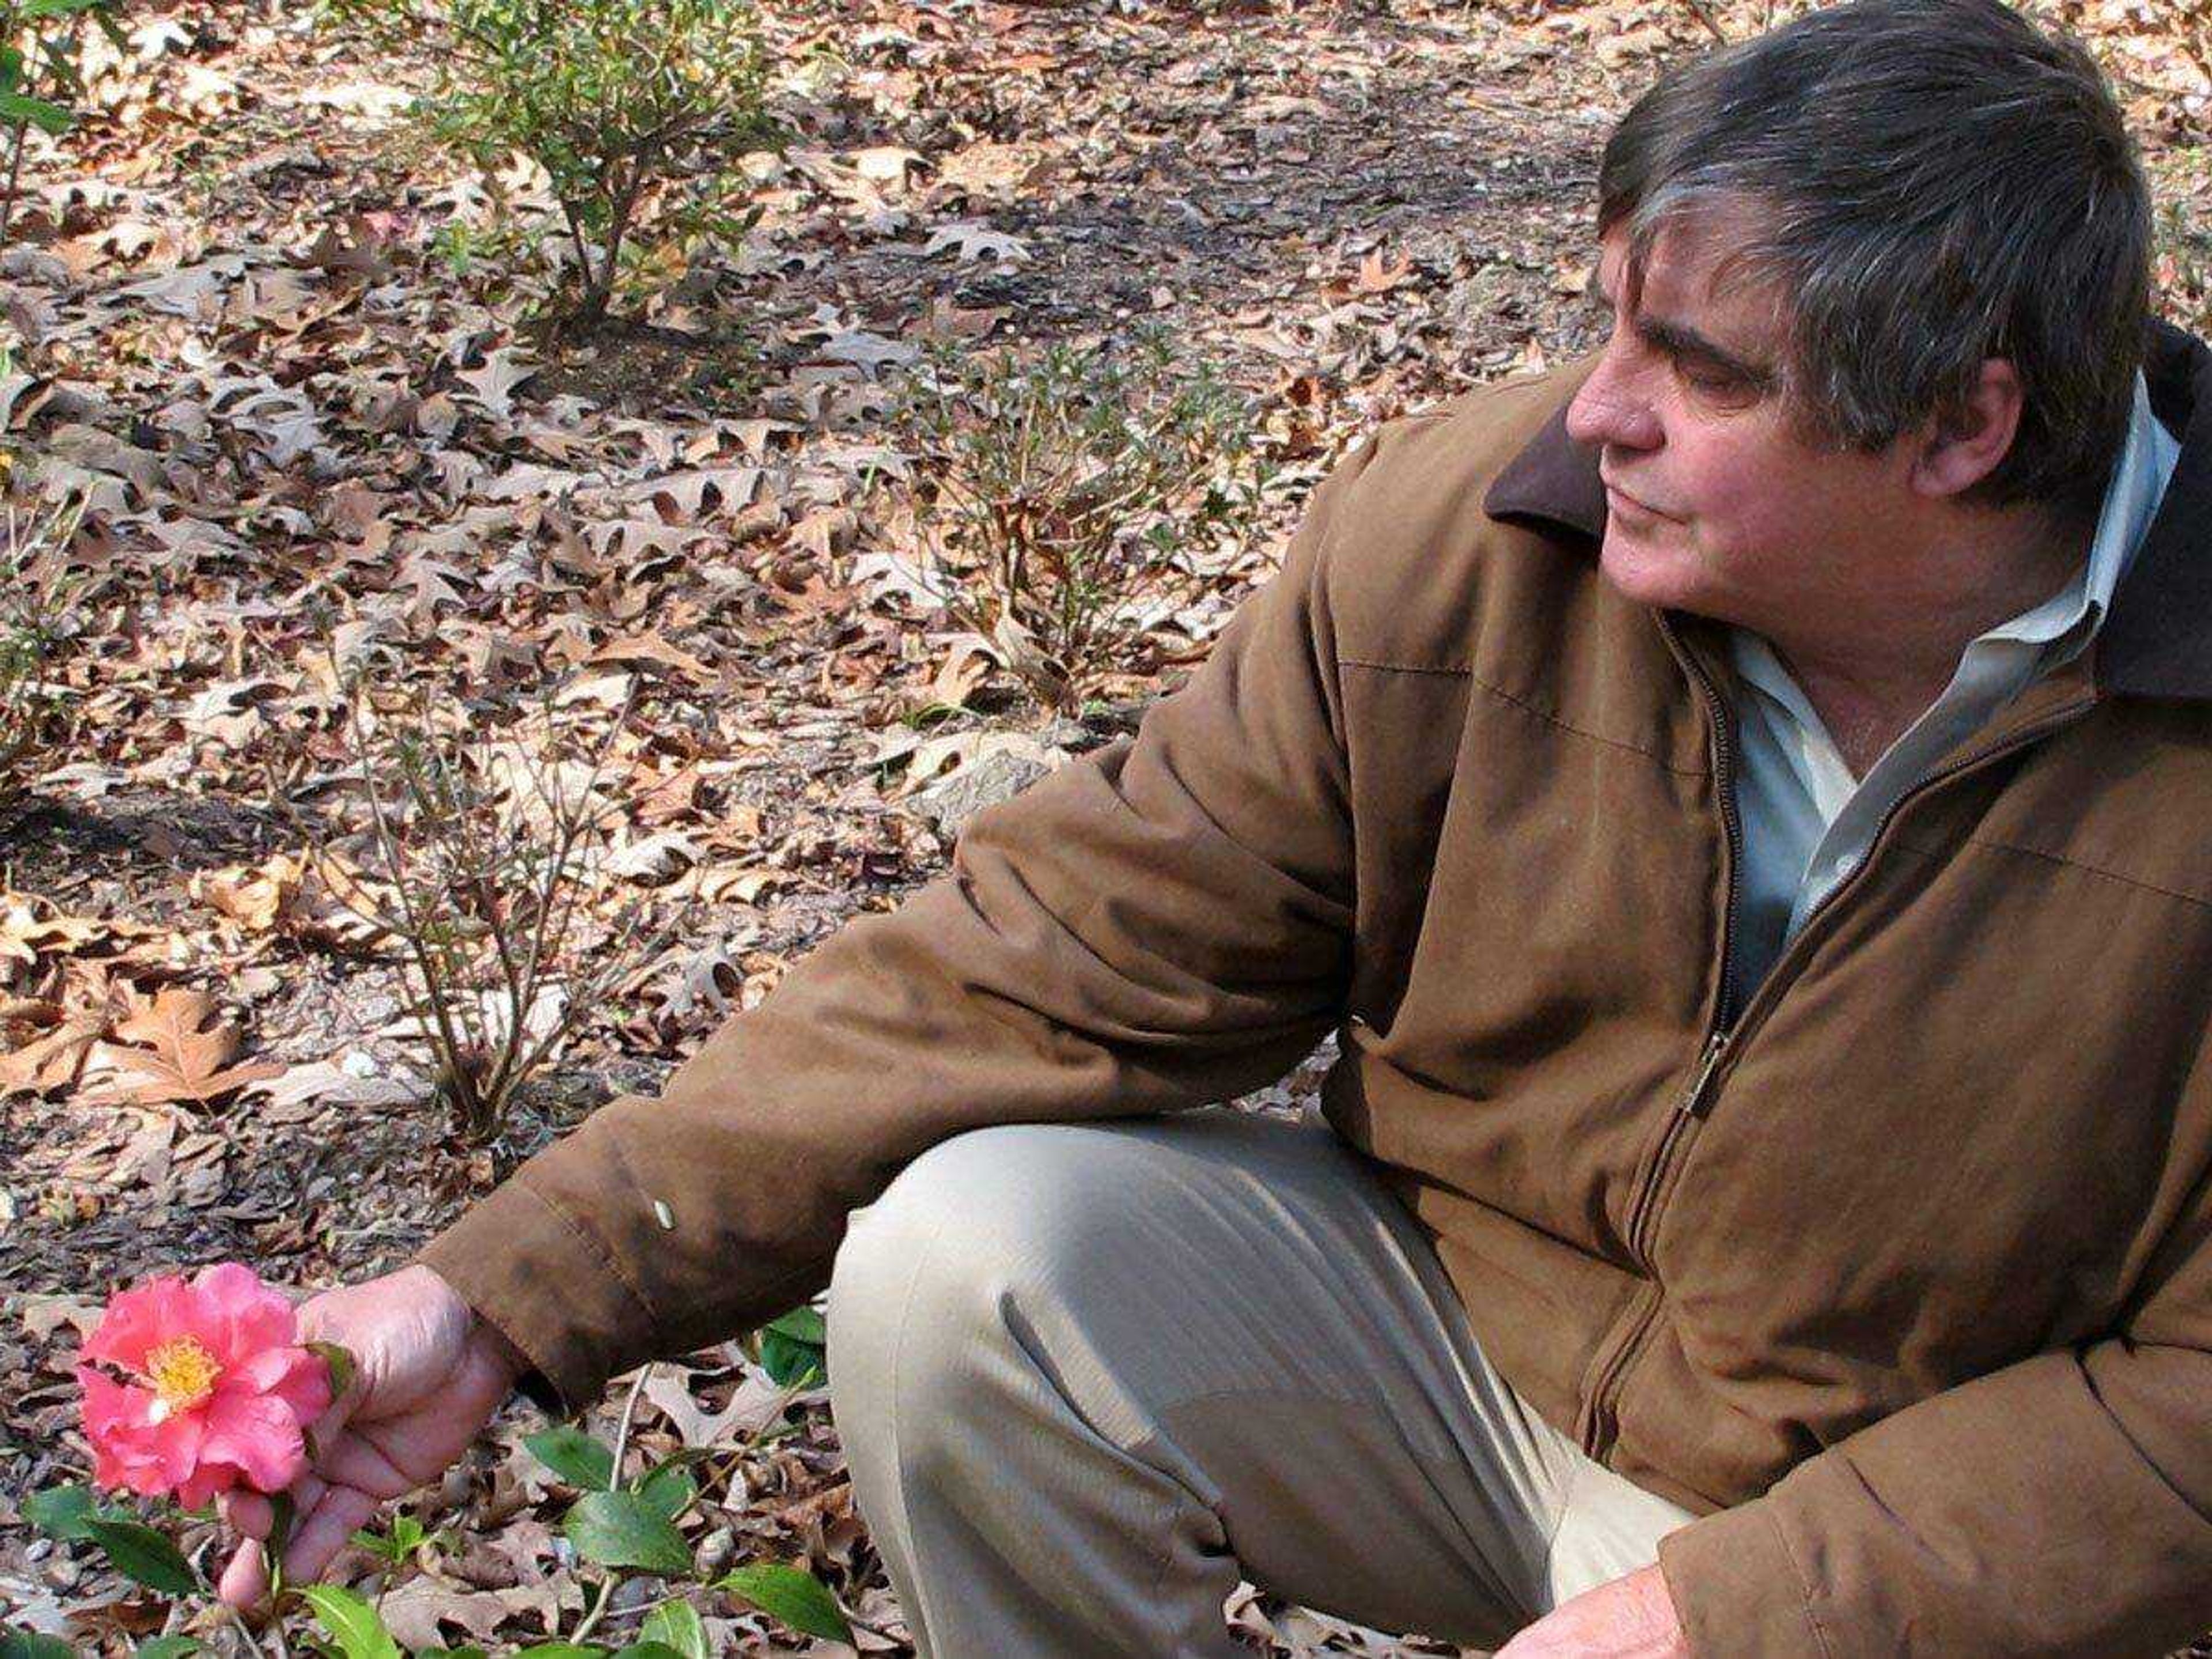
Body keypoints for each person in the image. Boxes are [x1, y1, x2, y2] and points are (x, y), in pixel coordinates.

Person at [212, 0, 2212, 1650]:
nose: (1593, 414)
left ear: (1965, 425)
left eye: (1695, 371)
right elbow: (1062, 947)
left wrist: (1749, 1613)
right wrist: (496, 1298)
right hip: (1470, 1363)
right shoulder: (1486, 546)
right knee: (977, 1258)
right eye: (1607, 323)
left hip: (1933, 1537)